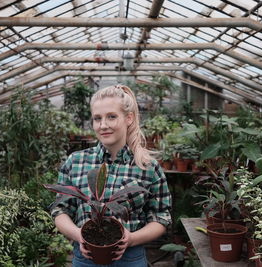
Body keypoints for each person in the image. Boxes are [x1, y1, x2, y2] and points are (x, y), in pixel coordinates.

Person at [50, 84, 172, 266]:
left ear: (128, 118)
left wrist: (132, 238)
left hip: (130, 258)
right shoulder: (76, 162)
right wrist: (79, 235)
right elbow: (60, 210)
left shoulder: (147, 167)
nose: (103, 125)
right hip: (86, 258)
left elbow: (161, 216)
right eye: (97, 119)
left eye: (112, 117)